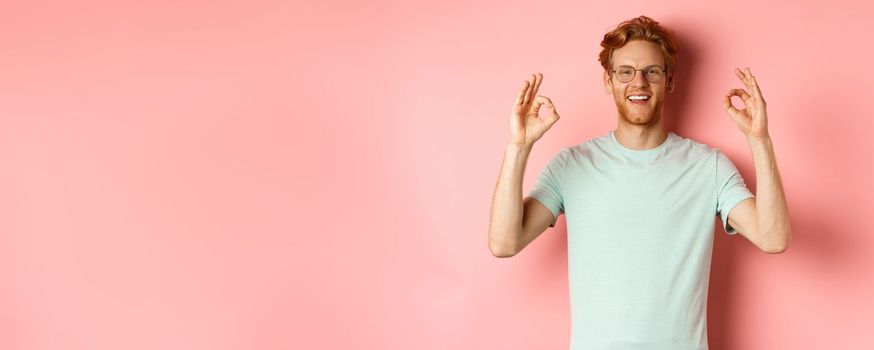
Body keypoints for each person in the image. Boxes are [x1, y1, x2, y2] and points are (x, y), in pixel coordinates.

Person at [487, 15, 791, 349]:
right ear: (609, 81)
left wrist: (760, 140)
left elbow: (773, 237)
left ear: (670, 80)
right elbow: (504, 243)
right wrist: (518, 147)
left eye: (652, 72)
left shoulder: (709, 168)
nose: (639, 83)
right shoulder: (571, 166)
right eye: (625, 72)